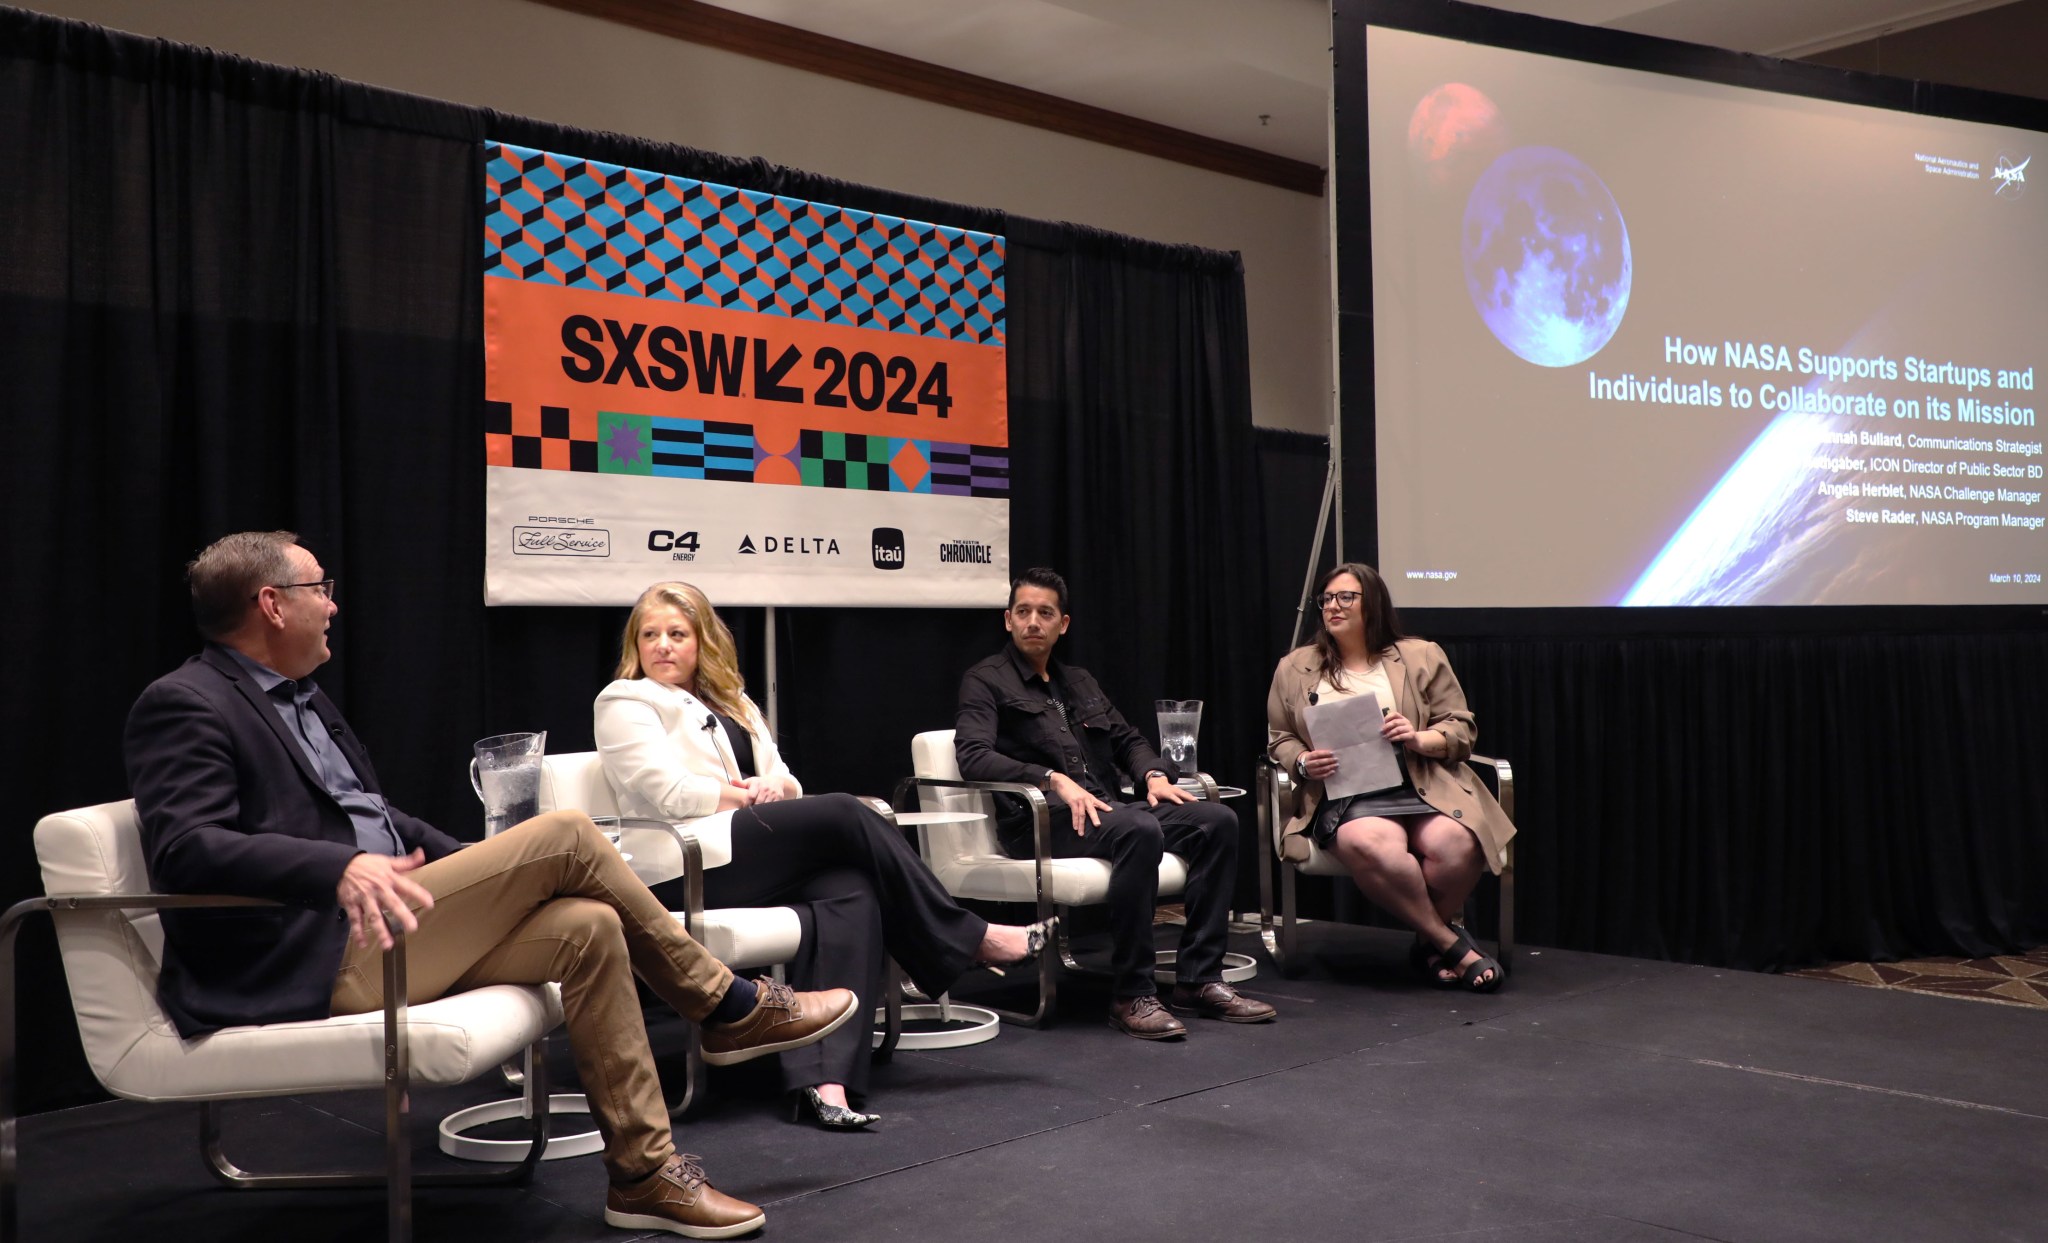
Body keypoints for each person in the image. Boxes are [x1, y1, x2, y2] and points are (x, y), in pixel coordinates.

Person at [125, 531, 859, 1240]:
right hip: (314, 951)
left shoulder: (304, 699)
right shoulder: (185, 700)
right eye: (320, 588)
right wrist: (335, 867)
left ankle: (645, 1176)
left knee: (587, 926)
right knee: (567, 831)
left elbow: (383, 818)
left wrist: (493, 864)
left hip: (393, 924)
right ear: (272, 603)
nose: (333, 604)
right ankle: (725, 1002)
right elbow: (188, 848)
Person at [593, 581, 1053, 1128]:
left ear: (702, 642)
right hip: (683, 864)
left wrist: (770, 789)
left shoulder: (734, 702)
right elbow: (667, 793)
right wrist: (747, 794)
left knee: (851, 891)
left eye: (677, 634)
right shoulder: (624, 701)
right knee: (846, 812)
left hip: (745, 845)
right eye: (650, 635)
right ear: (635, 645)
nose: (663, 645)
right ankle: (970, 937)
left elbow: (787, 780)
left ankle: (824, 1083)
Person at [953, 567, 1277, 1039]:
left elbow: (1127, 739)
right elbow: (972, 756)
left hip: (1107, 810)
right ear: (1007, 620)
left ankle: (1198, 979)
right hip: (1043, 823)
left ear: (1063, 624)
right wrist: (1050, 779)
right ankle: (1132, 993)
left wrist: (1151, 774)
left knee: (1217, 821)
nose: (1032, 622)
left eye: (1045, 613)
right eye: (1022, 612)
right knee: (1139, 831)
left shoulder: (1080, 681)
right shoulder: (985, 681)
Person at [1265, 562, 1516, 991]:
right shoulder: (1296, 666)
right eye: (1326, 599)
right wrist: (1304, 762)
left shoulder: (1421, 655)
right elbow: (1279, 739)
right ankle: (1450, 945)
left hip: (1422, 783)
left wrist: (1420, 738)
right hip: (1348, 793)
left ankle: (1430, 943)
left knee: (1459, 844)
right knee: (1371, 844)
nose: (1333, 606)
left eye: (1346, 597)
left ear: (1373, 603)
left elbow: (1461, 727)